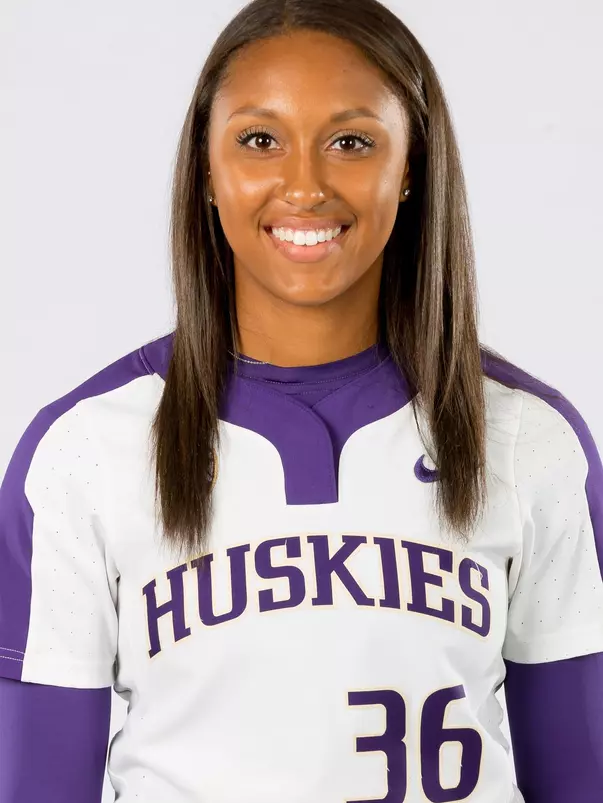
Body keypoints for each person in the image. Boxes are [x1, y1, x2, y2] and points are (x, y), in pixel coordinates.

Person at [1, 0, 603, 801]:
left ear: (411, 164)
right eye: (259, 140)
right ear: (207, 171)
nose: (305, 184)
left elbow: (579, 777)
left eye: (351, 142)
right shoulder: (83, 452)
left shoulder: (528, 440)